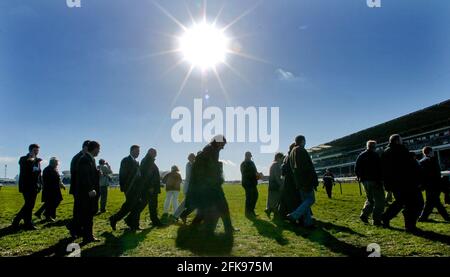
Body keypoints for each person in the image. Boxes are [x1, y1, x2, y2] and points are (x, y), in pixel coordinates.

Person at [186, 135, 236, 234]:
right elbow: (207, 170)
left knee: (208, 208)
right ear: (218, 142)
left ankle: (195, 226)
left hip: (209, 185)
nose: (223, 147)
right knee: (220, 207)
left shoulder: (210, 150)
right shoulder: (210, 151)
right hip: (210, 186)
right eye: (223, 144)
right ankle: (226, 228)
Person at [381, 134, 423, 233]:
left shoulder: (385, 152)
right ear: (396, 141)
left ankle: (386, 217)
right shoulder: (400, 150)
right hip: (406, 182)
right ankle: (409, 226)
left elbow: (384, 171)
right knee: (416, 203)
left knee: (400, 202)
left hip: (395, 184)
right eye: (401, 140)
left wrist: (387, 184)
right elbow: (409, 166)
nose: (402, 141)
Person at [287, 135, 319, 228]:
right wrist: (313, 180)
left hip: (299, 181)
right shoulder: (300, 150)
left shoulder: (293, 151)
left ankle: (308, 223)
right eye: (305, 141)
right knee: (310, 200)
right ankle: (294, 215)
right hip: (305, 181)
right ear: (302, 141)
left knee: (305, 202)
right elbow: (306, 167)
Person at [12, 144, 42, 230]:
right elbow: (27, 168)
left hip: (35, 186)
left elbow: (39, 174)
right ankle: (18, 221)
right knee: (28, 205)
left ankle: (27, 223)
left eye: (37, 151)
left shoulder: (37, 161)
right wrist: (32, 159)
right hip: (26, 186)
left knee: (30, 205)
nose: (36, 152)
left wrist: (40, 184)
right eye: (35, 150)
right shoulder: (23, 159)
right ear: (30, 150)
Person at [355, 140, 385, 226]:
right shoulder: (376, 155)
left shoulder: (361, 155)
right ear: (374, 147)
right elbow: (380, 169)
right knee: (380, 201)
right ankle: (376, 220)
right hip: (375, 181)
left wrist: (360, 178)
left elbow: (356, 168)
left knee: (370, 199)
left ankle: (364, 214)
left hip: (365, 182)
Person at [76, 141, 101, 243]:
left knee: (88, 214)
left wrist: (97, 172)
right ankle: (87, 236)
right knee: (87, 215)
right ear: (94, 148)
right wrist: (90, 189)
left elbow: (90, 174)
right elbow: (85, 176)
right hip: (87, 193)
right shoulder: (85, 159)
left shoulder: (90, 159)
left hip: (89, 192)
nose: (99, 151)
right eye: (98, 149)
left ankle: (87, 235)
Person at [418, 147, 450, 222]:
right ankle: (446, 217)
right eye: (432, 151)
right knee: (435, 202)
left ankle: (423, 217)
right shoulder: (431, 160)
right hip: (434, 184)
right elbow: (434, 173)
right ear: (430, 152)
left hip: (429, 185)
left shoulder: (422, 161)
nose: (433, 152)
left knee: (432, 202)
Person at [68, 140, 90, 238]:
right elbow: (77, 173)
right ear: (85, 147)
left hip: (81, 187)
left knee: (81, 209)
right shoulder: (79, 157)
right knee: (79, 210)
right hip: (79, 188)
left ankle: (77, 228)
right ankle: (73, 227)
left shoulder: (82, 157)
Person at [35, 157, 65, 222]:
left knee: (50, 202)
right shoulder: (47, 169)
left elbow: (58, 178)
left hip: (54, 189)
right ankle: (47, 215)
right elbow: (49, 180)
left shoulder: (54, 169)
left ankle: (41, 213)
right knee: (52, 202)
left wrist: (61, 184)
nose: (57, 164)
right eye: (56, 163)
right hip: (50, 189)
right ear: (52, 163)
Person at [139, 148, 163, 227]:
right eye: (154, 153)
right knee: (148, 205)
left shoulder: (148, 160)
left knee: (150, 205)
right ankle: (155, 221)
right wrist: (151, 186)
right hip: (150, 188)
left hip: (150, 187)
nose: (156, 154)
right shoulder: (147, 161)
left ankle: (155, 220)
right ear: (150, 153)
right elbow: (147, 175)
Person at [278, 143, 302, 219]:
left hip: (287, 181)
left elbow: (283, 171)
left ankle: (282, 214)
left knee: (286, 199)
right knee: (294, 200)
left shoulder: (286, 157)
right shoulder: (292, 157)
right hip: (292, 182)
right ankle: (294, 216)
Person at [174, 153, 196, 223]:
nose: (193, 159)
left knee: (185, 203)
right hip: (189, 187)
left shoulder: (191, 164)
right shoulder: (189, 165)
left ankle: (177, 215)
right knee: (185, 203)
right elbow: (190, 175)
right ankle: (177, 215)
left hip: (190, 187)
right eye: (192, 157)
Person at [240, 151, 260, 217]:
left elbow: (255, 171)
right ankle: (248, 212)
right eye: (249, 156)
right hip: (247, 183)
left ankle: (251, 211)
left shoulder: (252, 163)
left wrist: (258, 174)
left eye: (250, 156)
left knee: (255, 196)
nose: (250, 157)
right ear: (246, 156)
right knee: (249, 198)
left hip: (253, 183)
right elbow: (245, 174)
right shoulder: (243, 164)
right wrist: (254, 175)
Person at [265, 152, 284, 218]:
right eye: (282, 158)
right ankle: (274, 213)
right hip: (275, 185)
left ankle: (269, 210)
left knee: (273, 200)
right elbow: (277, 177)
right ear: (278, 158)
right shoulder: (276, 165)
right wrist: (281, 184)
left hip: (272, 185)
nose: (283, 160)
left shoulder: (273, 164)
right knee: (277, 200)